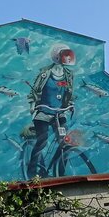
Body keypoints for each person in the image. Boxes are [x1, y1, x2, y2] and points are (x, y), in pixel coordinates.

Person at [26, 43, 76, 179]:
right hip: (44, 112)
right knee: (42, 141)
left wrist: (70, 104)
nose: (67, 57)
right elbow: (35, 91)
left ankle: (60, 172)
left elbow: (69, 93)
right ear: (57, 56)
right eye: (64, 54)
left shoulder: (68, 75)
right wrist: (32, 104)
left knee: (65, 142)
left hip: (60, 113)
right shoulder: (45, 73)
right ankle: (31, 172)